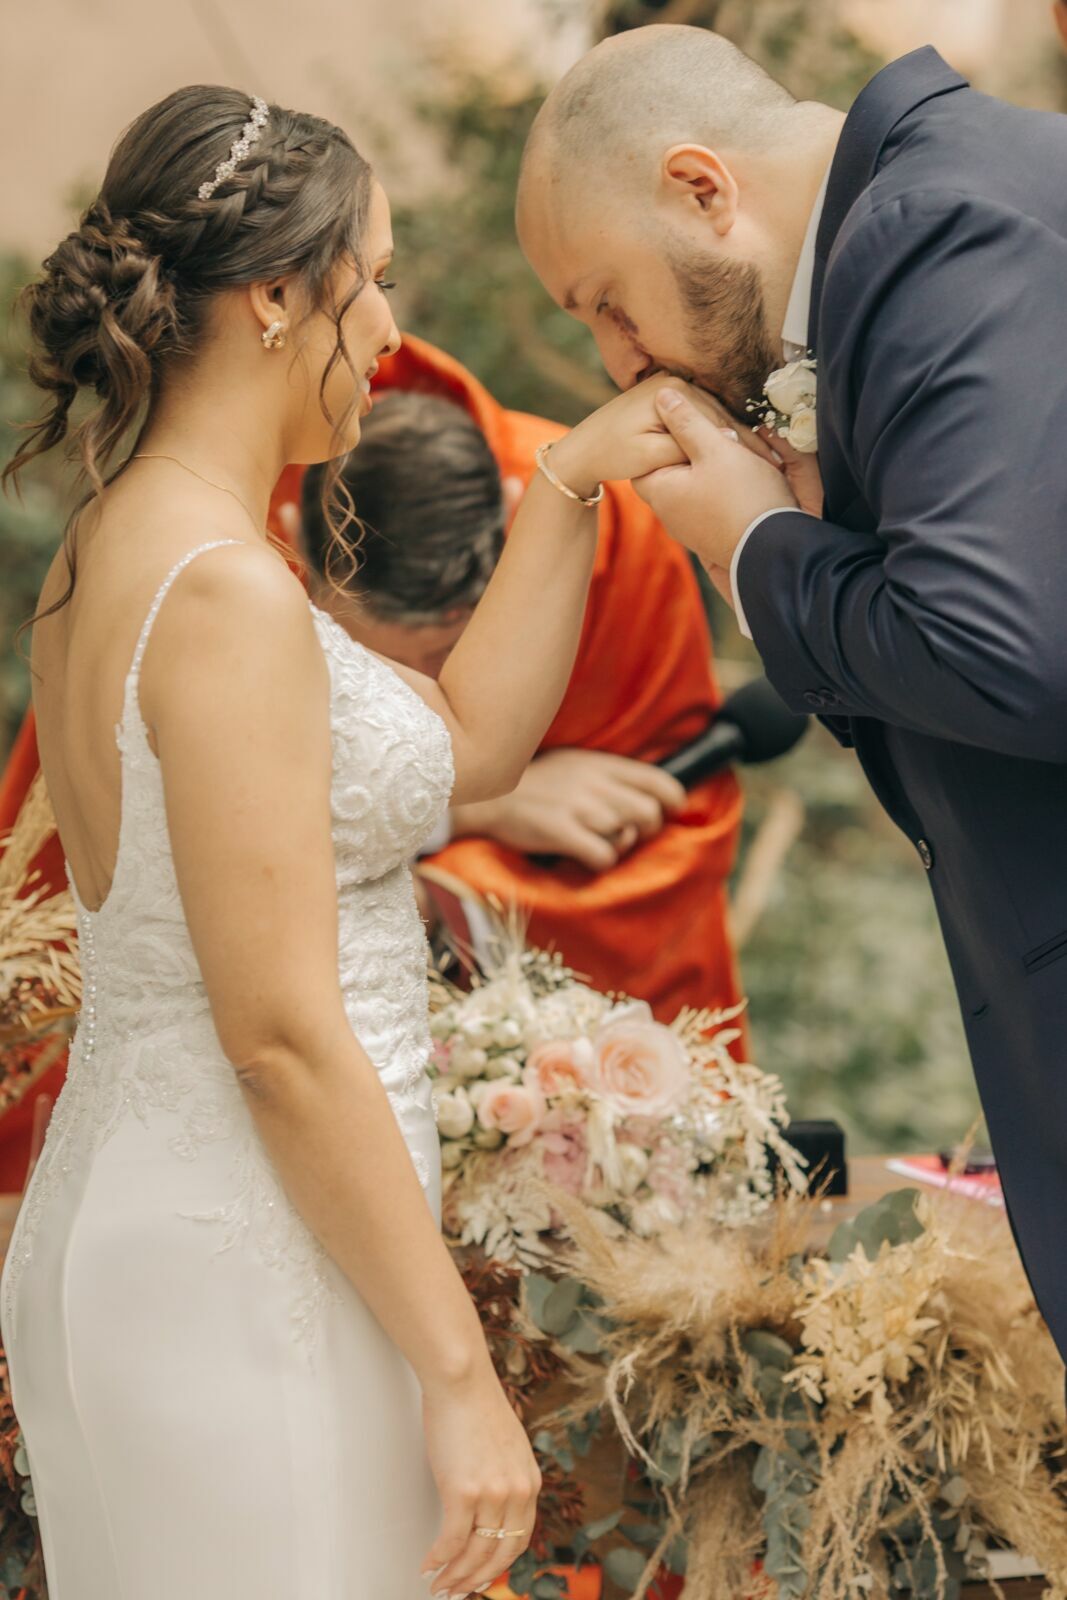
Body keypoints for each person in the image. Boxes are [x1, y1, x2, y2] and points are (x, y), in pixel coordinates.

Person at [0, 84, 696, 1599]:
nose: (387, 324)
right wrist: (456, 1370)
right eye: (367, 276)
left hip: (165, 1225)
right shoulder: (227, 594)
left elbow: (458, 757)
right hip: (250, 1265)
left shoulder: (121, 544)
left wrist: (569, 482)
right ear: (272, 296)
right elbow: (278, 1033)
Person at [517, 25, 1067, 1372]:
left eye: (604, 301)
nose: (612, 359)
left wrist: (757, 552)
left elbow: (1004, 653)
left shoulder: (924, 226)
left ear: (701, 189)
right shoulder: (946, 195)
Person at [284, 337, 745, 1021]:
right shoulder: (237, 549)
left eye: (443, 657)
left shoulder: (615, 530)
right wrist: (468, 810)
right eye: (379, 664)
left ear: (514, 509)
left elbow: (676, 828)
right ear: (292, 544)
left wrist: (456, 894)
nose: (424, 707)